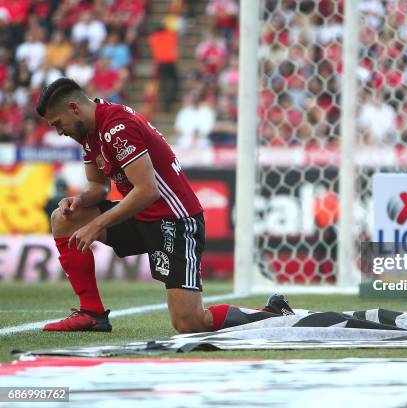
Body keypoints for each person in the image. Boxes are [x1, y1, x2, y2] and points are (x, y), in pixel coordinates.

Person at [35, 78, 291, 333]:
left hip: (175, 220)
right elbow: (98, 187)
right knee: (63, 218)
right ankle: (92, 313)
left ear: (74, 108)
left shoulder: (116, 127)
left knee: (189, 323)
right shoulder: (88, 134)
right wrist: (78, 201)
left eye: (58, 124)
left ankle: (272, 313)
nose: (59, 131)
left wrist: (97, 225)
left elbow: (147, 191)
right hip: (141, 216)